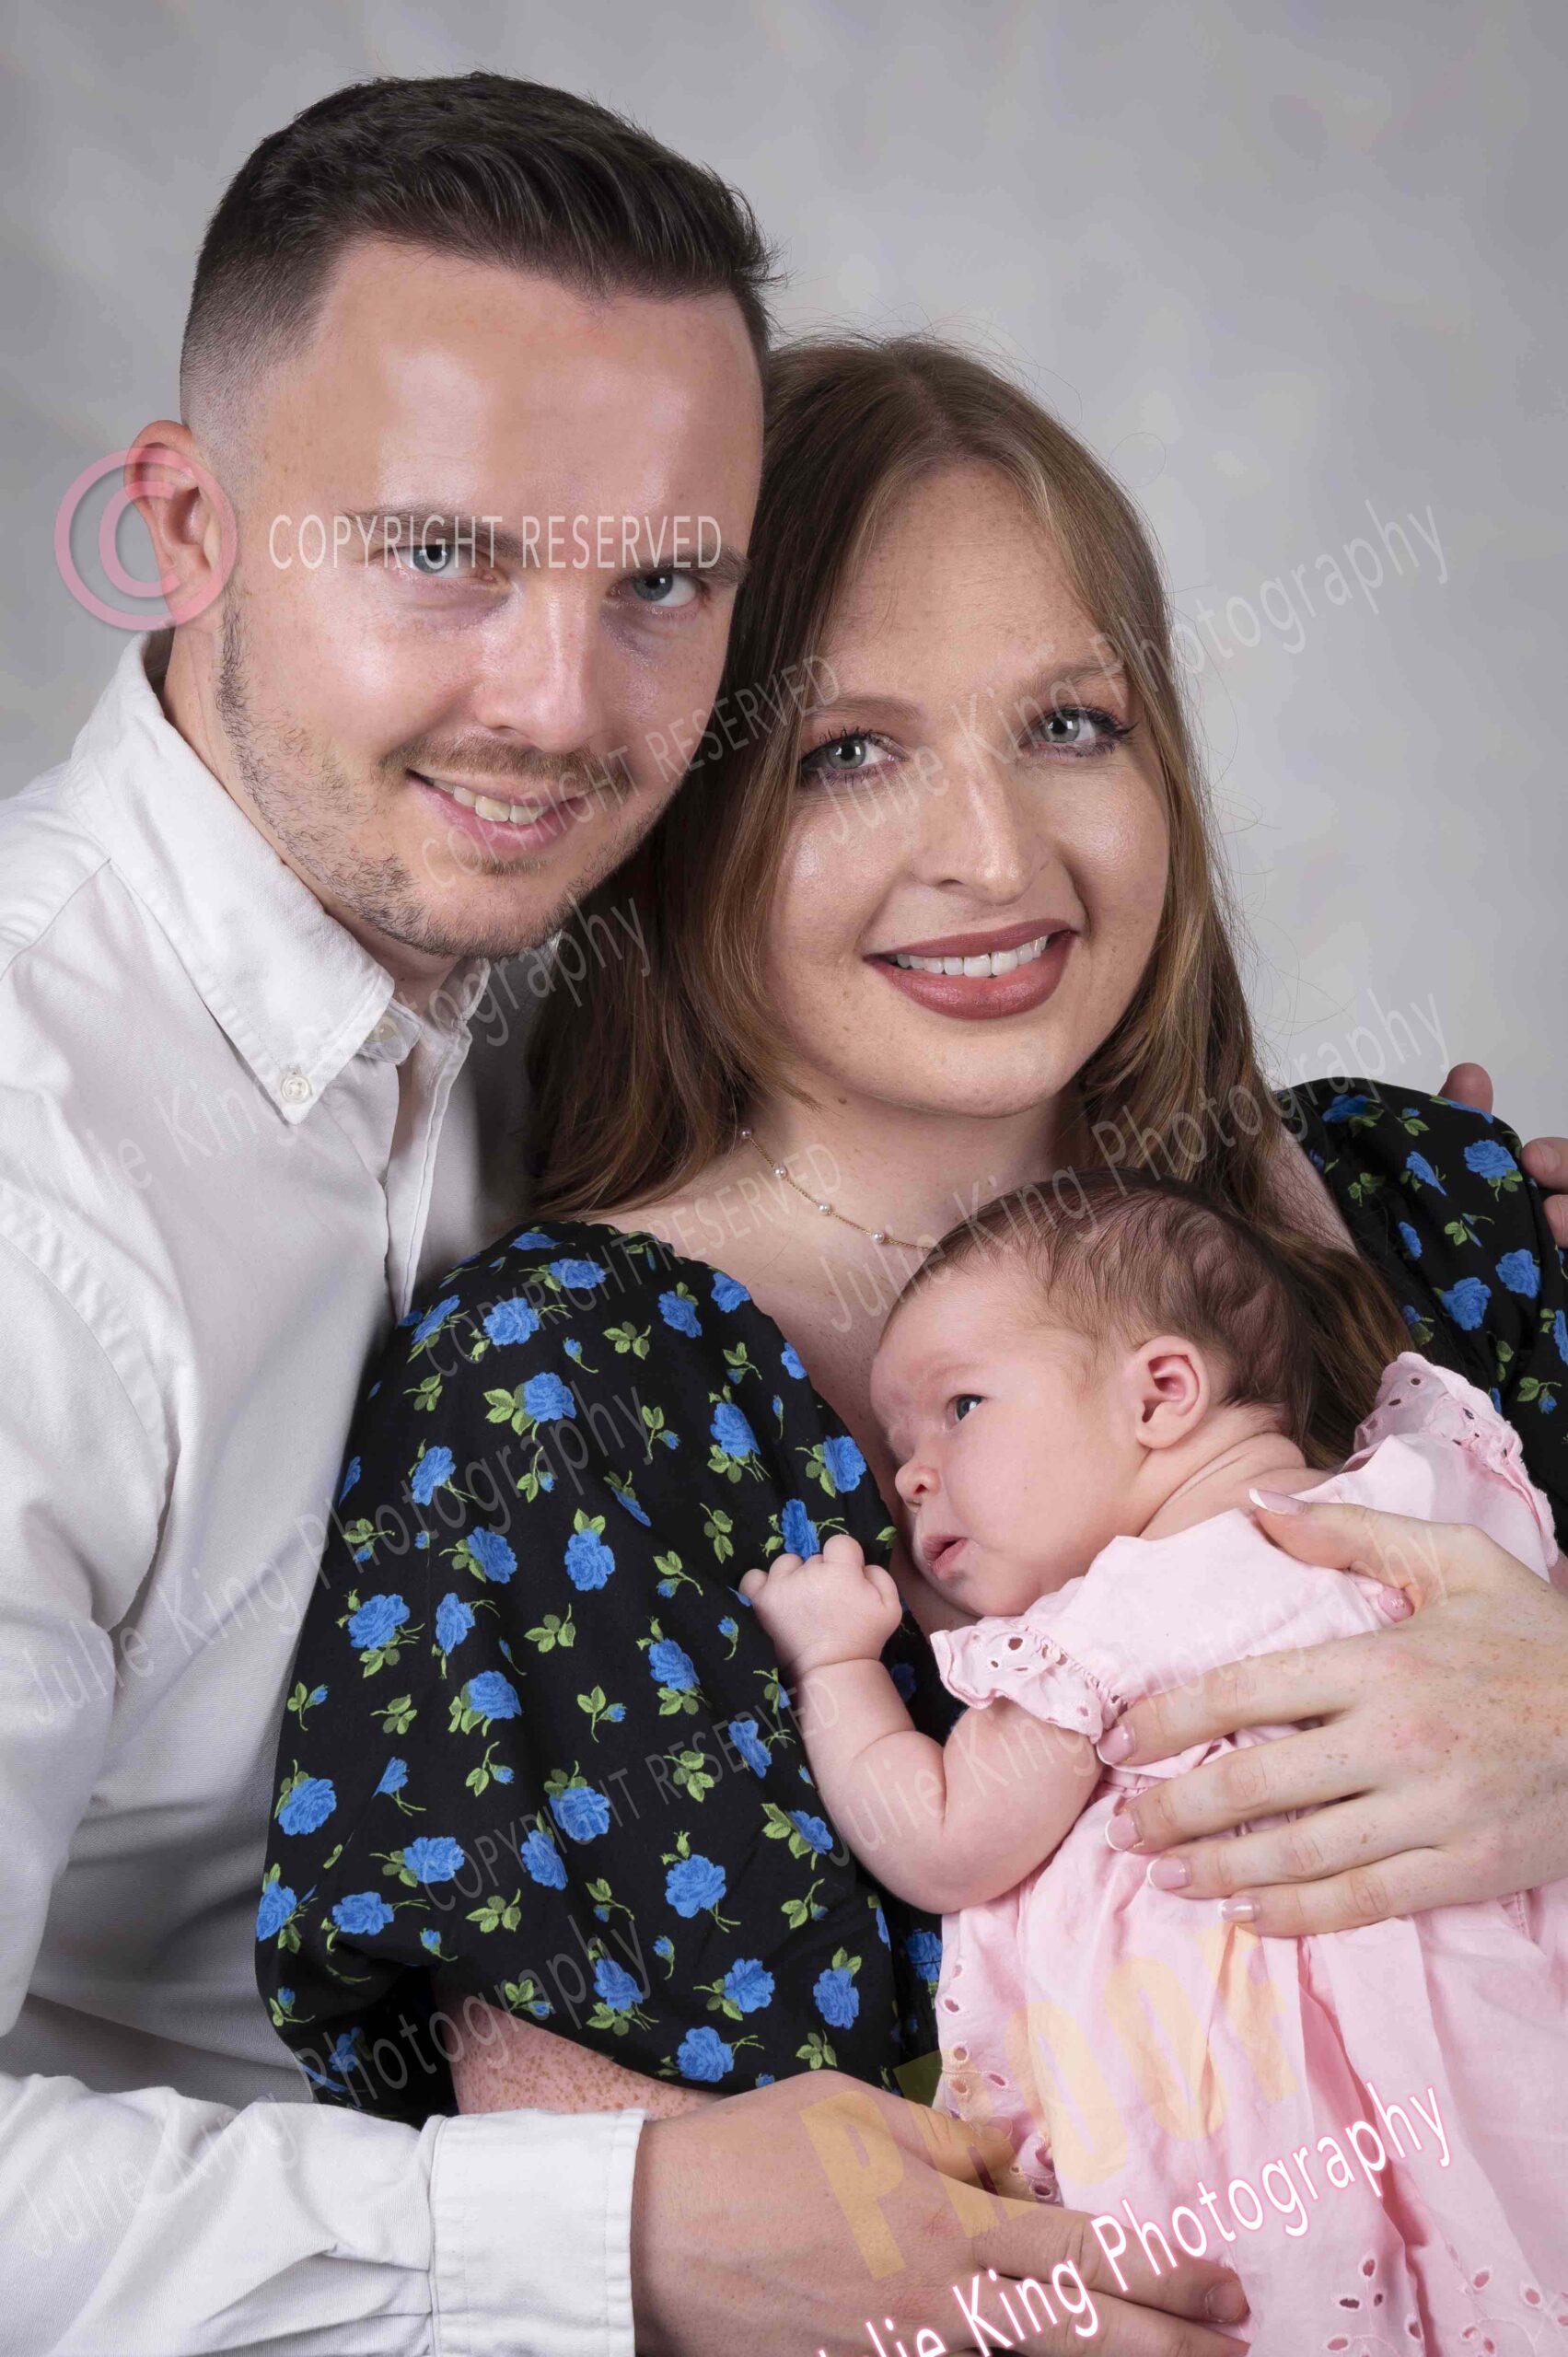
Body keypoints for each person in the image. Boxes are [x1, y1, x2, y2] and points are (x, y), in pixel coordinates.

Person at [8, 75, 1235, 2357]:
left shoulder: (515, 946)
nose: (561, 707)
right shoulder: (34, 1193)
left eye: (662, 582)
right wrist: (619, 2227)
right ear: (188, 526)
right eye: (440, 552)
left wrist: (1330, 1207)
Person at [260, 332, 1568, 2177]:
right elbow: (680, 2253)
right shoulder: (561, 1397)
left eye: (1065, 724)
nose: (989, 849)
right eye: (846, 751)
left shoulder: (1411, 1200)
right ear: (680, 803)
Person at [740, 1168, 1567, 2341]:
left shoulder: (1112, 1625)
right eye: (894, 1440)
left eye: (960, 1407)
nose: (909, 1471)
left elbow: (939, 1840)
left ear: (1161, 1392)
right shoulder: (1430, 1502)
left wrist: (834, 1667)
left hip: (1267, 2144)